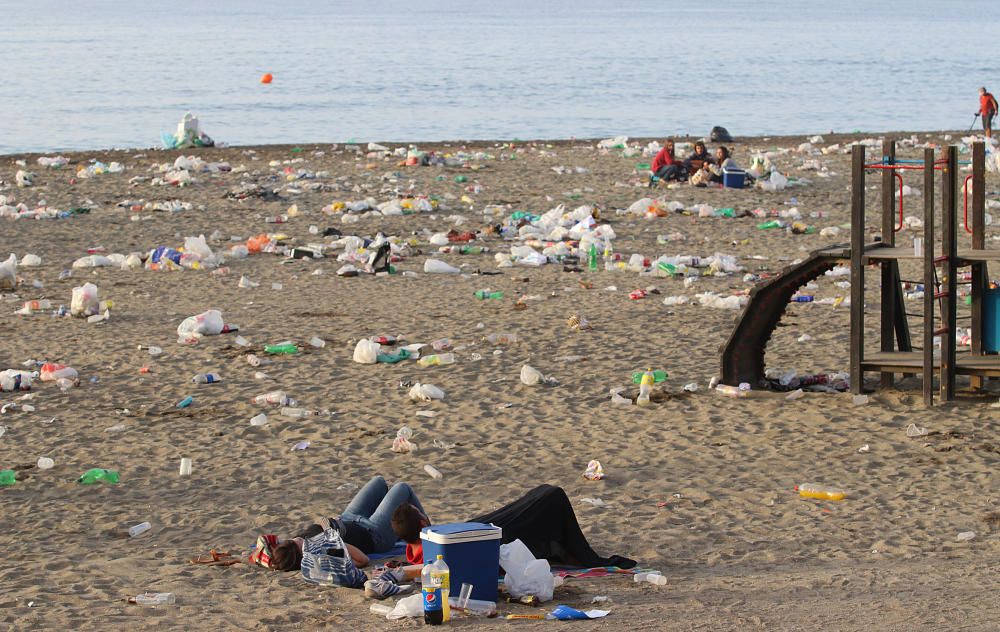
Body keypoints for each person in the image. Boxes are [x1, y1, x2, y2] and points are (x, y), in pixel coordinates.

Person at [391, 484, 636, 569]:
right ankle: (570, 550)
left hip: (483, 529)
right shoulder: (433, 551)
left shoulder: (417, 555)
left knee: (538, 499)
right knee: (551, 496)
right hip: (492, 534)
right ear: (423, 522)